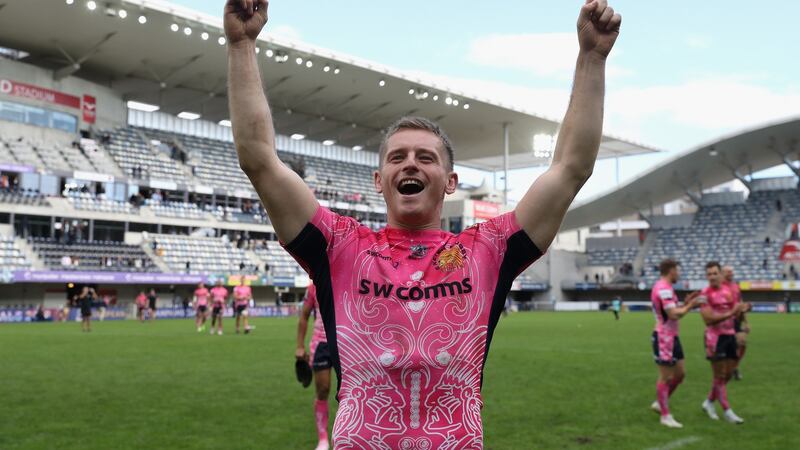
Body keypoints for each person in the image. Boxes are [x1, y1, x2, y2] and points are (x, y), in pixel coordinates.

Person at [226, 0, 621, 446]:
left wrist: (592, 58)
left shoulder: (488, 250)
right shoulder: (338, 247)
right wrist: (241, 44)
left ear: (450, 181)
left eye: (425, 157)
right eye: (397, 157)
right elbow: (259, 160)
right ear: (379, 180)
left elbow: (570, 168)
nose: (410, 164)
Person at [648, 259, 701, 428]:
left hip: (672, 336)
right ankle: (665, 416)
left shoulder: (667, 288)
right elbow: (673, 314)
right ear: (671, 270)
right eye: (677, 270)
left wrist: (685, 304)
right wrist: (691, 306)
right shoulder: (663, 288)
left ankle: (659, 403)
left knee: (680, 374)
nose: (678, 273)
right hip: (664, 337)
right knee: (666, 377)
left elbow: (673, 309)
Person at [700, 261, 751, 424]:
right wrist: (731, 313)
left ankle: (709, 402)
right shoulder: (705, 294)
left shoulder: (728, 291)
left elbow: (736, 311)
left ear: (720, 274)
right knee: (719, 375)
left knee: (728, 374)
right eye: (709, 274)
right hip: (715, 338)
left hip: (730, 336)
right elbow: (708, 319)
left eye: (715, 273)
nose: (712, 277)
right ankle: (727, 411)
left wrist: (744, 311)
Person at [296, 284, 332, 450]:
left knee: (351, 392)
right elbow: (304, 316)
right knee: (323, 390)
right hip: (321, 343)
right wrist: (300, 346)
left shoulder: (349, 275)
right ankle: (323, 439)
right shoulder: (313, 287)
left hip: (347, 342)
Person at [722, 265, 749, 380]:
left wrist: (746, 322)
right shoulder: (720, 287)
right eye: (728, 272)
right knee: (726, 348)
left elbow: (740, 303)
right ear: (722, 273)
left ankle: (734, 367)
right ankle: (727, 369)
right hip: (723, 321)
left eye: (732, 271)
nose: (731, 273)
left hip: (736, 320)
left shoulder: (735, 286)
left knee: (742, 343)